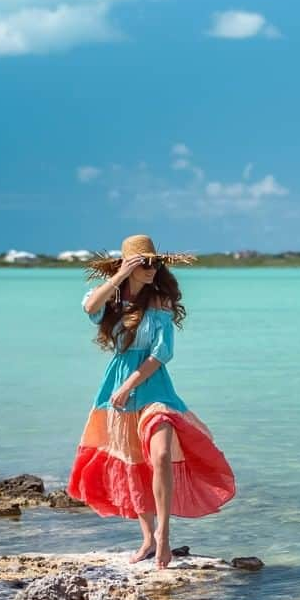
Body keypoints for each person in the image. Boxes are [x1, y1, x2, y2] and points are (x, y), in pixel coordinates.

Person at [67, 234, 235, 569]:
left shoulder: (160, 302)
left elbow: (162, 353)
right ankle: (147, 537)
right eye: (143, 263)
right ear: (127, 265)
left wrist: (130, 384)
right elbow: (89, 307)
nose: (151, 269)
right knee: (132, 463)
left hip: (153, 386)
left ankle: (164, 538)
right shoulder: (112, 302)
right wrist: (118, 276)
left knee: (159, 455)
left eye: (155, 263)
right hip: (116, 388)